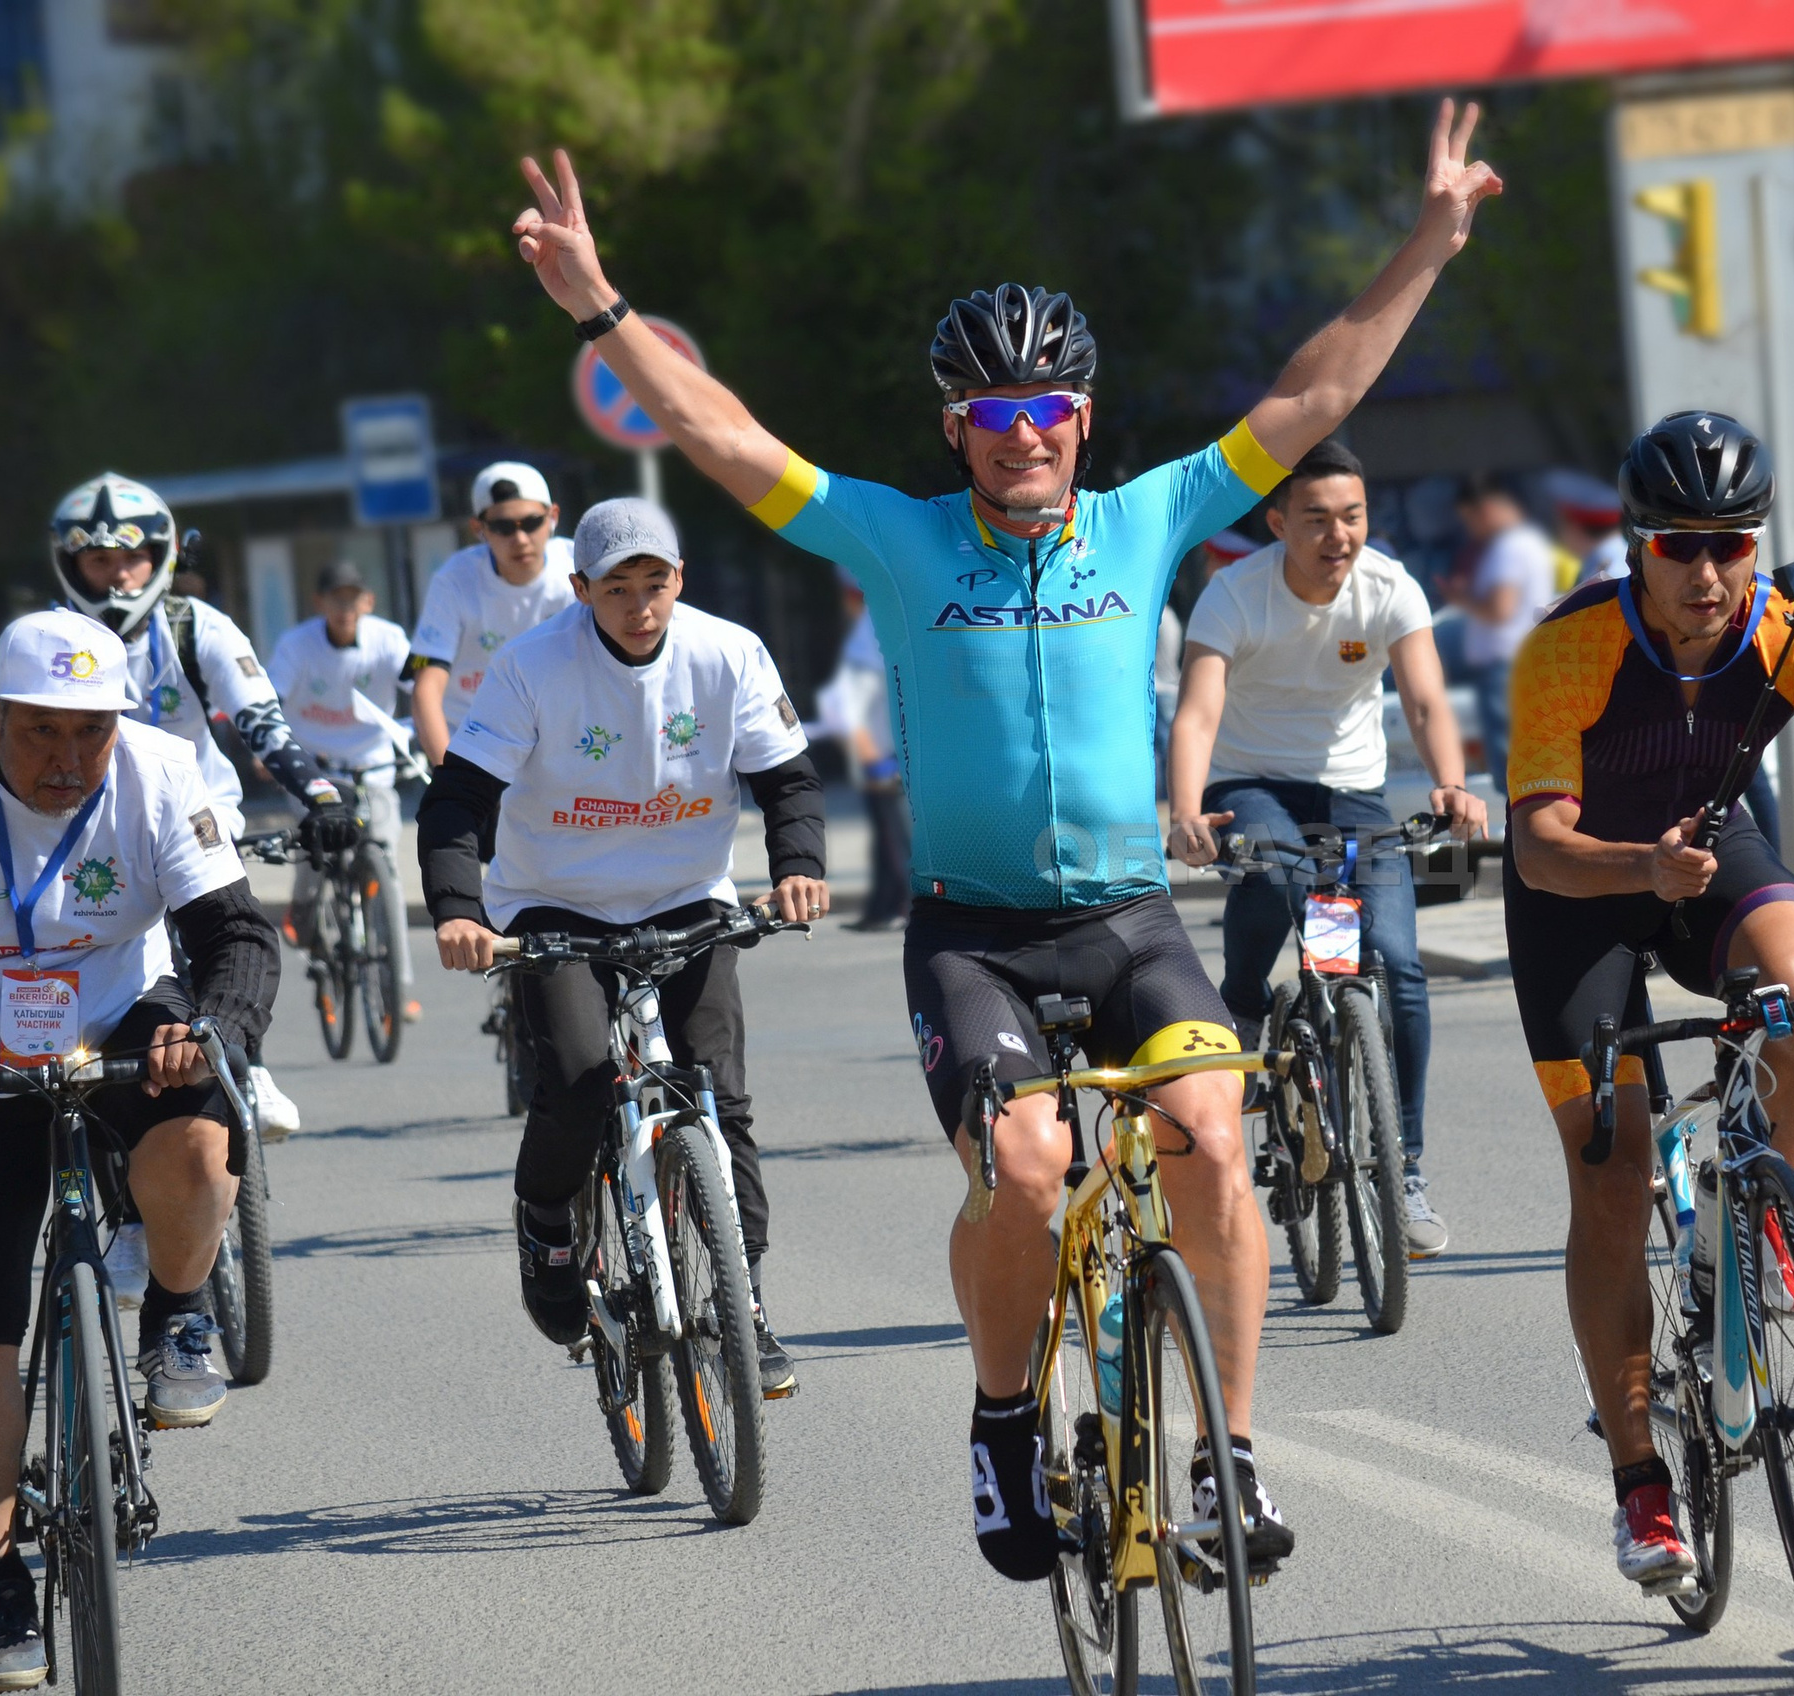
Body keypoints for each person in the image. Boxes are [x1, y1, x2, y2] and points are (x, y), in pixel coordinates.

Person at [504, 101, 1500, 1582]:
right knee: (1027, 1172)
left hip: (1130, 917)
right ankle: (1004, 1421)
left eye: (1046, 414)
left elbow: (1317, 387)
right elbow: (721, 437)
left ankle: (1226, 1457)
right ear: (953, 430)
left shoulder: (1149, 519)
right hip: (973, 932)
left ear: (1082, 422)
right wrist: (602, 307)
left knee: (1216, 1140)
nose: (1023, 438)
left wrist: (1429, 242)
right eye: (992, 416)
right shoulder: (897, 540)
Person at [1503, 411, 1794, 1597]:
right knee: (1610, 1162)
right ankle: (1642, 1478)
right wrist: (1635, 867)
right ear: (1634, 546)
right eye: (1677, 546)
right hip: (1582, 885)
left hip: (1704, 850)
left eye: (1731, 545)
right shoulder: (1567, 646)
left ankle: (1735, 1222)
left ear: (1759, 544)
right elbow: (1540, 847)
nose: (1706, 574)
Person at [419, 497, 828, 1398]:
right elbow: (456, 803)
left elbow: (788, 781)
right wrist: (459, 910)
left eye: (656, 583)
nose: (640, 605)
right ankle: (549, 1229)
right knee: (573, 1081)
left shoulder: (729, 655)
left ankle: (740, 1301)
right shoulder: (531, 670)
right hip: (551, 904)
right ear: (580, 590)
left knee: (719, 1090)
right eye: (617, 588)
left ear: (681, 579)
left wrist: (797, 868)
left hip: (686, 898)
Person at [0, 611, 279, 1690]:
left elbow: (236, 932)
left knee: (200, 1143)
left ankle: (180, 1307)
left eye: (87, 735)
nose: (65, 761)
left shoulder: (156, 767)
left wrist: (218, 1033)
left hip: (117, 1014)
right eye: (39, 733)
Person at [1166, 438, 1487, 1257]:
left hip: (1352, 795)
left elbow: (1422, 699)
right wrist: (1187, 811)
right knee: (1274, 875)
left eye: (1352, 516)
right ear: (1278, 523)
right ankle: (1241, 1004)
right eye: (1316, 519)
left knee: (1391, 962)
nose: (1338, 535)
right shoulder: (1235, 595)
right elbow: (1198, 713)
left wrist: (1453, 782)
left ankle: (1404, 1169)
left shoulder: (1388, 587)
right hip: (1251, 783)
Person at [47, 473, 361, 1153]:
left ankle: (254, 1066)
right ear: (71, 565)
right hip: (85, 833)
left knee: (224, 938)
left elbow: (263, 725)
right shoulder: (49, 642)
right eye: (99, 561)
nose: (118, 579)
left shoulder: (197, 627)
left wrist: (324, 796)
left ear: (162, 558)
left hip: (196, 821)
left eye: (132, 559)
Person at [268, 560, 418, 1020]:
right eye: (336, 597)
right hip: (315, 768)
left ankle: (400, 987)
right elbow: (268, 699)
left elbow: (423, 685)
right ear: (320, 603)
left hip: (373, 766)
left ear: (368, 602)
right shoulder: (297, 646)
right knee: (318, 852)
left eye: (353, 597)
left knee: (384, 863)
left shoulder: (388, 640)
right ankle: (305, 910)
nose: (345, 606)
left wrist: (427, 732)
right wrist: (267, 750)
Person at [409, 461, 579, 768]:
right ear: (479, 529)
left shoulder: (577, 567)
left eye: (531, 522)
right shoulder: (453, 580)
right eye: (502, 527)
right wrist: (450, 782)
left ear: (553, 517)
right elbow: (426, 687)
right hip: (475, 744)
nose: (520, 539)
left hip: (558, 739)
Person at [1445, 472, 1552, 795]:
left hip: (1505, 668)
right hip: (1523, 663)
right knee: (1525, 761)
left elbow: (1499, 609)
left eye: (1469, 518)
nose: (1470, 529)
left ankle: (1521, 838)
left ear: (1486, 508)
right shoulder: (1530, 541)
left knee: (1510, 766)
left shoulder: (1508, 546)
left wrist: (1460, 598)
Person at [813, 581, 910, 931]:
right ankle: (885, 907)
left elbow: (849, 706)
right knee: (889, 836)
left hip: (884, 758)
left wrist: (873, 761)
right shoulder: (877, 626)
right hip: (885, 757)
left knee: (892, 838)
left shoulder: (869, 629)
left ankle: (896, 906)